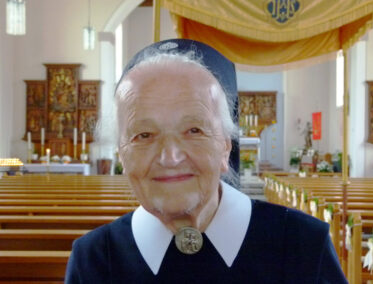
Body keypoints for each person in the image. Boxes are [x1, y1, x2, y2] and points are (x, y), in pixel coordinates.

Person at [65, 39, 347, 283]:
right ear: (121, 154)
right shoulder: (94, 260)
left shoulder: (304, 246)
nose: (170, 157)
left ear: (225, 146)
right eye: (144, 134)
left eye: (193, 130)